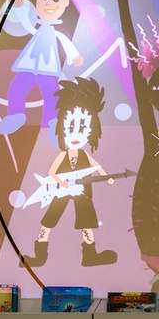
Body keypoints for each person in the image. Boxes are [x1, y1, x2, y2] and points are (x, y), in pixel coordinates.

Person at [21, 77, 118, 268]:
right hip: (61, 190)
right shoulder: (62, 155)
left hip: (82, 191)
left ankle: (89, 255)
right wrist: (62, 182)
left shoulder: (84, 154)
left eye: (83, 128)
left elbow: (96, 165)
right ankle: (39, 255)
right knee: (50, 219)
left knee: (86, 221)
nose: (76, 135)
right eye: (71, 127)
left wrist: (106, 177)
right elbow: (51, 172)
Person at [0, 0, 83, 135]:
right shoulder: (36, 26)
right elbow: (26, 23)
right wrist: (19, 7)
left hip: (48, 69)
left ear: (65, 2)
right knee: (16, 87)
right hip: (29, 66)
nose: (49, 3)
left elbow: (64, 41)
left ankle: (51, 124)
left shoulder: (56, 32)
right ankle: (16, 115)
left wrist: (74, 56)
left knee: (52, 95)